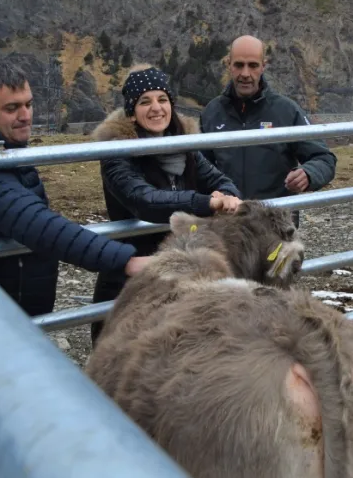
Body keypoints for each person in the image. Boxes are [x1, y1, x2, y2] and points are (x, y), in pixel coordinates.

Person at [0, 58, 153, 478]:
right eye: (11, 108)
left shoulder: (2, 151)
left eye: (28, 104)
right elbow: (40, 226)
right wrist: (126, 260)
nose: (25, 115)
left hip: (11, 312)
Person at [88, 64, 242, 344]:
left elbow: (219, 179)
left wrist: (226, 194)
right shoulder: (116, 151)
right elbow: (144, 200)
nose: (156, 108)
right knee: (121, 350)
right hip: (131, 270)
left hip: (176, 267)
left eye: (162, 99)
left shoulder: (184, 148)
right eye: (145, 101)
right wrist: (205, 203)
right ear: (131, 112)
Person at [199, 35, 336, 221]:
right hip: (226, 224)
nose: (245, 73)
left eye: (253, 65)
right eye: (239, 65)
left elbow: (324, 159)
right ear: (229, 65)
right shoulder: (211, 113)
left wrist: (309, 174)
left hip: (274, 224)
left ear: (263, 66)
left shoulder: (287, 111)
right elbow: (199, 168)